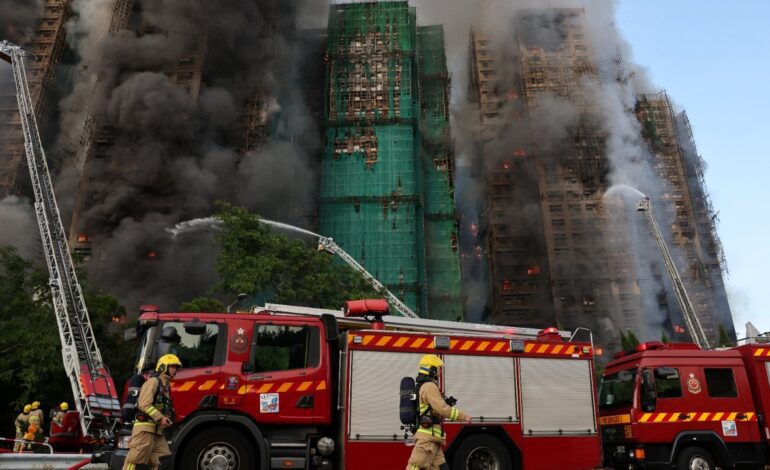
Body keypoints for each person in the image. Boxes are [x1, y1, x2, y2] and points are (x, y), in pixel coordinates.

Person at [406, 354, 471, 470]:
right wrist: (463, 416)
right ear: (430, 369)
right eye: (437, 368)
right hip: (427, 438)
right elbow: (442, 409)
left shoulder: (424, 386)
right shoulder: (429, 386)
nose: (439, 371)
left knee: (441, 467)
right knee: (416, 466)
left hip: (433, 438)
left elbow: (434, 409)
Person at [122, 354, 181, 470]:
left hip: (157, 431)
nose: (175, 370)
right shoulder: (153, 382)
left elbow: (163, 408)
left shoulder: (166, 387)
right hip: (144, 429)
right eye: (173, 367)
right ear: (164, 367)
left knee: (163, 460)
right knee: (134, 461)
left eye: (176, 367)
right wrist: (160, 418)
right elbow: (144, 404)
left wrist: (169, 418)